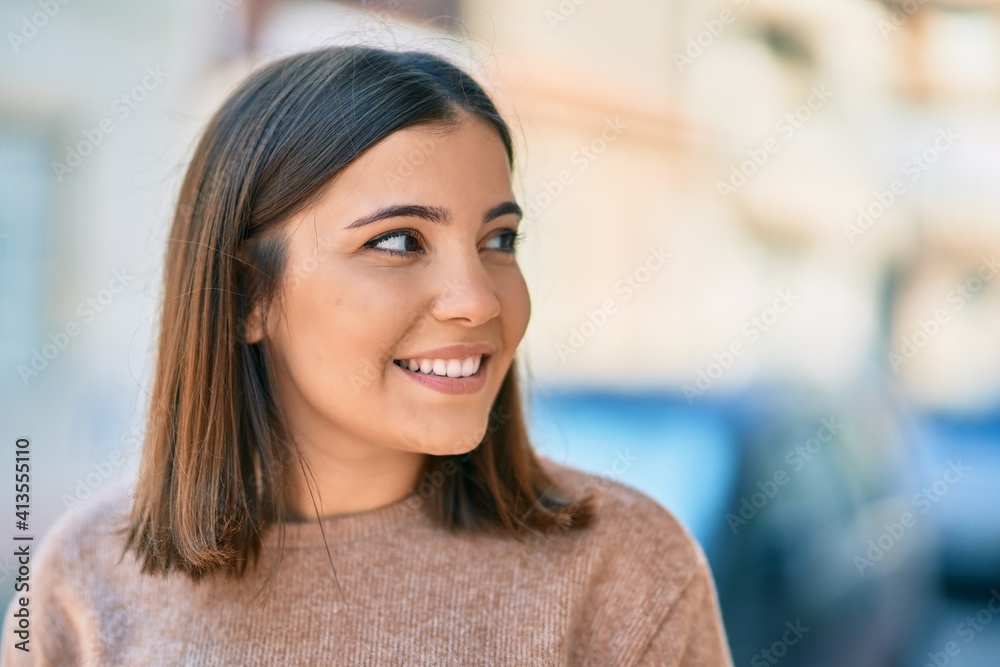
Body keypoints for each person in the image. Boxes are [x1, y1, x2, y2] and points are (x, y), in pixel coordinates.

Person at [0, 45, 734, 666]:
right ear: (248, 293)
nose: (477, 299)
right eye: (399, 241)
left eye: (498, 240)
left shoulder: (630, 574)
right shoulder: (82, 582)